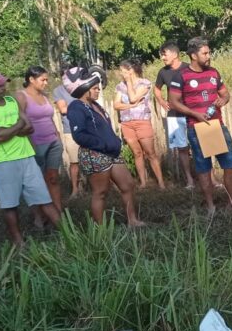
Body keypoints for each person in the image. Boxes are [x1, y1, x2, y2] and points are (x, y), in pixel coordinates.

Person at [0, 70, 61, 245]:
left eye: (4, 83)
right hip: (3, 161)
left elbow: (29, 128)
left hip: (26, 156)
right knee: (9, 204)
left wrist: (6, 129)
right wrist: (17, 125)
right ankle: (18, 242)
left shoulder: (11, 101)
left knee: (44, 198)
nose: (3, 87)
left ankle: (68, 236)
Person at [167, 37, 232, 216]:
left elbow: (225, 94)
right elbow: (173, 101)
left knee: (229, 164)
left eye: (209, 52)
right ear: (193, 55)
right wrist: (194, 114)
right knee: (204, 168)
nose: (208, 56)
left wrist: (223, 100)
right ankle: (211, 207)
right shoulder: (181, 76)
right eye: (205, 53)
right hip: (196, 128)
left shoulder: (213, 72)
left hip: (217, 126)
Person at [65, 66, 145, 227]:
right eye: (94, 88)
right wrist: (103, 144)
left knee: (127, 185)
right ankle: (100, 229)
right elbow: (79, 135)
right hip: (95, 154)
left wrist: (113, 142)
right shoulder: (76, 107)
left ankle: (132, 221)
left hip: (111, 152)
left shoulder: (95, 106)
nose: (98, 91)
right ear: (84, 89)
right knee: (100, 192)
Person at [17, 66, 63, 214]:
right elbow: (20, 121)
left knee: (53, 178)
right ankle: (40, 215)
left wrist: (57, 135)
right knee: (37, 182)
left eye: (46, 80)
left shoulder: (44, 95)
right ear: (31, 79)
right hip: (35, 143)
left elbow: (49, 117)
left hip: (53, 142)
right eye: (42, 80)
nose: (45, 83)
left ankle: (58, 212)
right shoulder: (21, 96)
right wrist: (31, 144)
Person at [115, 58, 165, 190]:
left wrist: (129, 83)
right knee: (137, 153)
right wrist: (130, 105)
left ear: (130, 71)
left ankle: (161, 183)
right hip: (127, 123)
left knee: (150, 153)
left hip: (142, 121)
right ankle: (143, 183)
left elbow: (133, 97)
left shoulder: (145, 83)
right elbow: (116, 105)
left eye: (123, 71)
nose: (121, 73)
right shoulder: (120, 86)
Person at [154, 41, 194, 188]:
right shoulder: (163, 72)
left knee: (201, 145)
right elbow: (157, 89)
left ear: (175, 54)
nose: (162, 58)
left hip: (192, 113)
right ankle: (189, 180)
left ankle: (212, 179)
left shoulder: (188, 68)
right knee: (181, 148)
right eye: (162, 55)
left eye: (164, 54)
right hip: (174, 115)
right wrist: (161, 101)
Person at [51, 74, 82, 197]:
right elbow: (63, 109)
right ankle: (75, 190)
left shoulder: (81, 86)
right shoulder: (58, 90)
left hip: (87, 128)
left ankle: (88, 187)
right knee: (74, 162)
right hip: (71, 130)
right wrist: (81, 107)